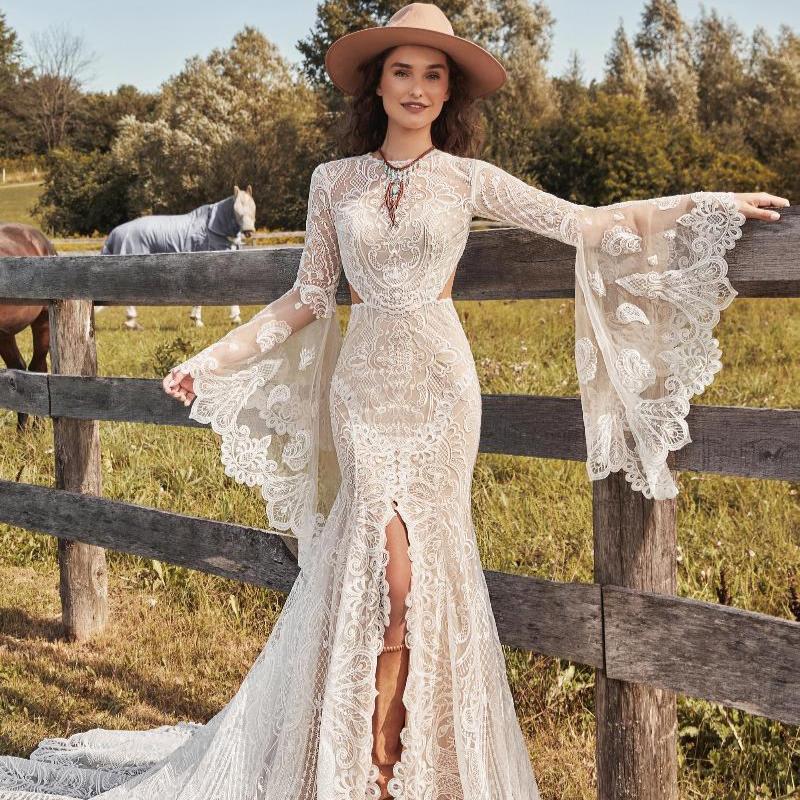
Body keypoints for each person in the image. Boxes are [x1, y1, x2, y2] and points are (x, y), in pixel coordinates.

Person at [0, 4, 788, 799]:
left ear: (451, 95)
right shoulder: (331, 182)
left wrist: (707, 204)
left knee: (421, 577)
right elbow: (306, 297)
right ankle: (368, 760)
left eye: (433, 74)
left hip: (443, 390)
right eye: (402, 71)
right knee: (386, 570)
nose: (417, 87)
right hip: (366, 387)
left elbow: (587, 225)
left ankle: (395, 765)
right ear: (376, 85)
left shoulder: (468, 178)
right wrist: (209, 358)